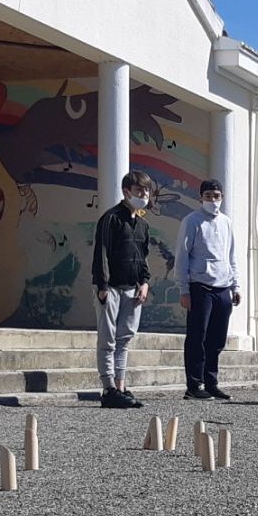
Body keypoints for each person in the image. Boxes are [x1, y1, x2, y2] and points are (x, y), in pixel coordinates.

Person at [92, 171, 156, 409]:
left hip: (132, 289)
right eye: (139, 191)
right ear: (126, 191)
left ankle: (121, 385)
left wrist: (144, 283)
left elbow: (143, 258)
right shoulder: (111, 219)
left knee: (124, 339)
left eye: (147, 191)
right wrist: (103, 285)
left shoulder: (142, 225)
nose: (144, 195)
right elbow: (102, 253)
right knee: (107, 340)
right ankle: (108, 388)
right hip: (111, 288)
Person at [174, 179, 241, 400]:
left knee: (217, 338)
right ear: (200, 197)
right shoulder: (192, 221)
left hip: (223, 288)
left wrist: (235, 285)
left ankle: (211, 382)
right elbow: (182, 255)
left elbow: (231, 255)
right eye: (208, 196)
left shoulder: (226, 223)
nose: (213, 200)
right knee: (197, 336)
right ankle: (194, 385)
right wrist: (184, 288)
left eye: (216, 196)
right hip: (199, 286)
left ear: (222, 197)